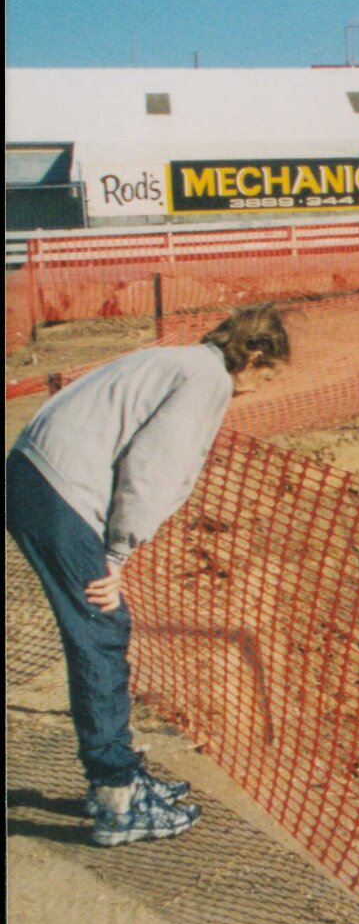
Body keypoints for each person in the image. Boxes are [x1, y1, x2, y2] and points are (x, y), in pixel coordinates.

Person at [6, 304, 290, 847]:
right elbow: (155, 468)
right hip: (55, 488)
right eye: (267, 376)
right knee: (101, 628)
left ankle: (120, 774)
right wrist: (116, 555)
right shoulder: (206, 378)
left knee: (101, 628)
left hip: (37, 474)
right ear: (253, 355)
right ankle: (116, 797)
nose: (259, 390)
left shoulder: (179, 359)